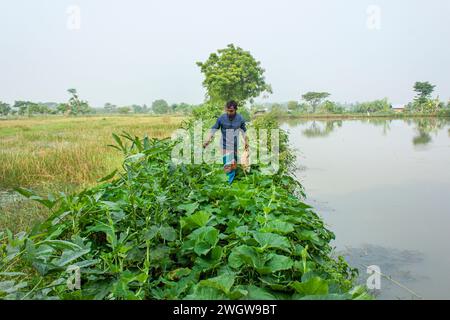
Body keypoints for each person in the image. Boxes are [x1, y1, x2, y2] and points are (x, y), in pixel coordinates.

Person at [203, 100, 249, 184]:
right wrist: (207, 140)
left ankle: (229, 180)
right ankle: (228, 183)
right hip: (224, 145)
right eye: (227, 110)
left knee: (233, 165)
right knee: (228, 164)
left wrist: (246, 142)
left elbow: (244, 132)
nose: (229, 113)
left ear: (236, 110)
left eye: (231, 111)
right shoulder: (221, 118)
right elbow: (213, 129)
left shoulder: (240, 119)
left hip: (235, 145)